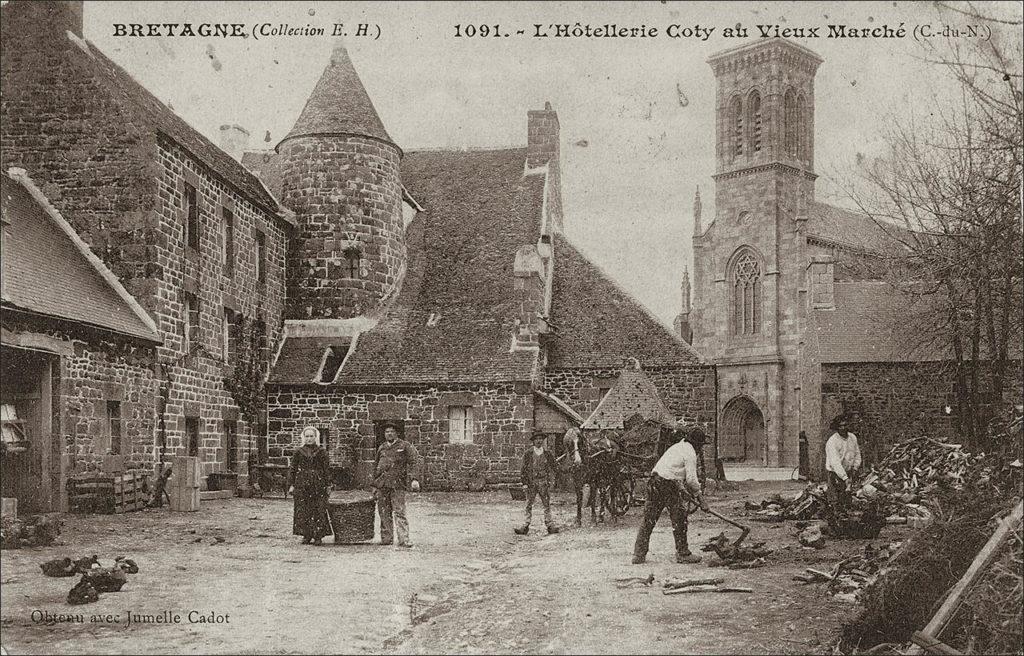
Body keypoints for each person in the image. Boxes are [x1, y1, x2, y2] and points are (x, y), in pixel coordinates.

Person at [632, 427, 709, 565]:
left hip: (654, 482)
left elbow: (670, 470)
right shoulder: (690, 453)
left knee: (648, 520)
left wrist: (681, 489)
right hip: (666, 485)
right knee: (680, 519)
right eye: (700, 446)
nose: (700, 450)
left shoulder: (677, 447)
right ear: (697, 444)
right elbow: (691, 480)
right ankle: (683, 553)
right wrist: (701, 499)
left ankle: (638, 555)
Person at [373, 422, 421, 548]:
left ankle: (404, 539)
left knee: (399, 511)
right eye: (387, 432)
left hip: (397, 484)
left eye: (392, 431)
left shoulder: (404, 446)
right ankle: (386, 538)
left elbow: (414, 462)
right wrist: (374, 485)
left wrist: (414, 479)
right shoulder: (382, 447)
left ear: (397, 433)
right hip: (382, 485)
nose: (389, 433)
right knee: (384, 512)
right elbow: (376, 466)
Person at [287, 426, 332, 545]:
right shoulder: (298, 452)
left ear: (315, 437)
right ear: (303, 437)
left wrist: (328, 485)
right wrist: (291, 485)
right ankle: (306, 535)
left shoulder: (321, 451)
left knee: (318, 508)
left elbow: (326, 469)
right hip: (302, 483)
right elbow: (293, 469)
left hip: (318, 483)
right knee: (303, 509)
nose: (309, 438)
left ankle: (318, 536)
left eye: (311, 436)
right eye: (307, 436)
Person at [515, 433, 560, 535]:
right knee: (528, 504)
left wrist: (564, 469)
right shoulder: (528, 453)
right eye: (537, 439)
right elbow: (524, 470)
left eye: (541, 439)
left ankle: (550, 525)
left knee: (546, 504)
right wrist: (525, 483)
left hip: (544, 482)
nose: (539, 441)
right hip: (532, 483)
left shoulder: (547, 453)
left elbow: (555, 467)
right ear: (533, 441)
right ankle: (525, 526)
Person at [825, 415, 862, 515]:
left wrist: (855, 468)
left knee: (847, 499)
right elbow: (835, 462)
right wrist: (845, 478)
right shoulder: (832, 441)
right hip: (836, 473)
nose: (843, 428)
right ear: (837, 427)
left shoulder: (852, 438)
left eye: (845, 425)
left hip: (849, 471)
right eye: (840, 426)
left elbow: (857, 454)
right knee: (836, 501)